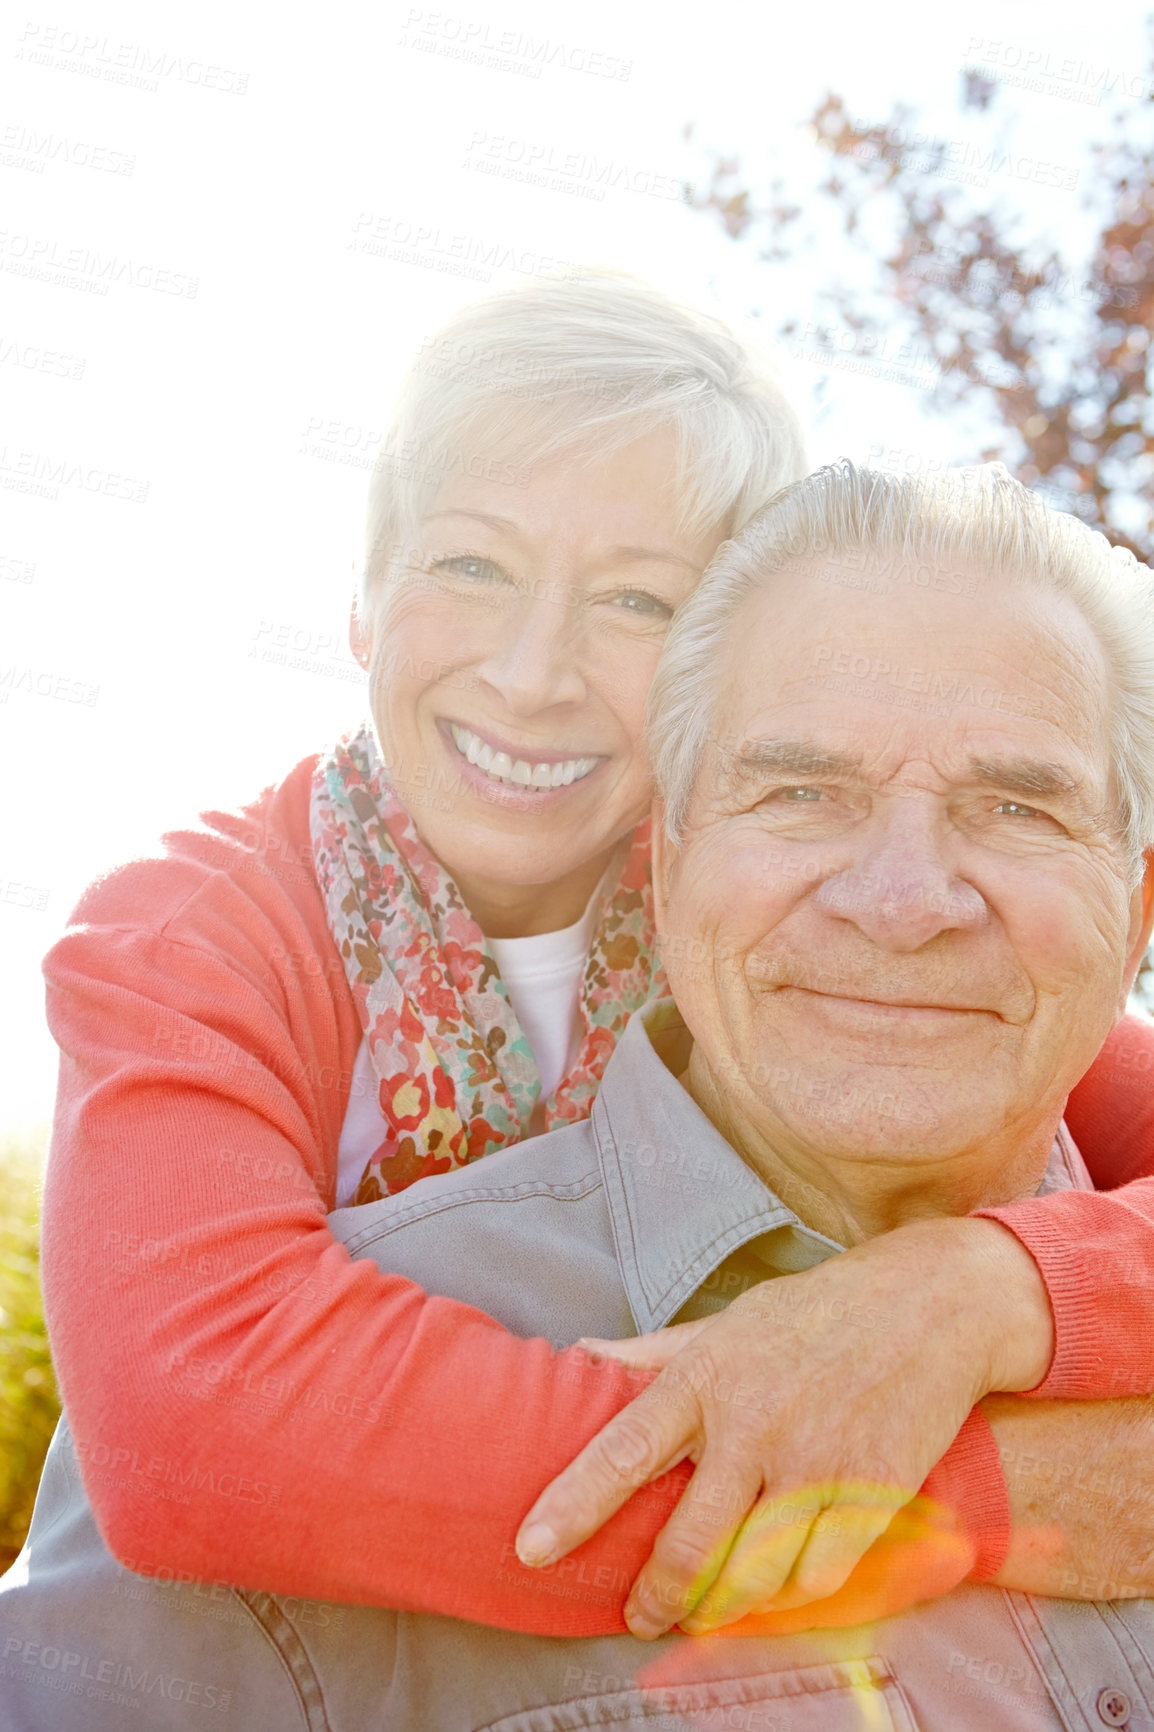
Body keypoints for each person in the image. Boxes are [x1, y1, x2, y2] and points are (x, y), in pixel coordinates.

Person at [18, 275, 1154, 1643]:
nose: (533, 668)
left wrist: (980, 1292)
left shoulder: (788, 931)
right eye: (471, 567)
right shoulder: (199, 926)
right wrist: (961, 1496)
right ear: (367, 600)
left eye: (633, 600)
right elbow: (192, 1422)